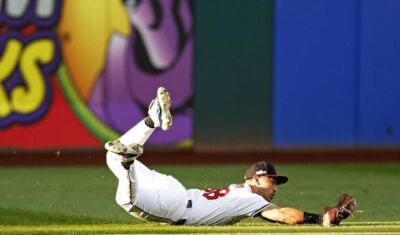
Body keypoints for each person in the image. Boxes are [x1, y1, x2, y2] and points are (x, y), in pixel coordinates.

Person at [105, 87, 356, 226]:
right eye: (272, 180)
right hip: (174, 204)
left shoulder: (239, 189)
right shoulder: (249, 198)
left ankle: (152, 121)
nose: (276, 186)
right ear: (256, 179)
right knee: (125, 196)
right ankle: (129, 161)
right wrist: (320, 219)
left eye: (277, 182)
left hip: (176, 192)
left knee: (111, 156)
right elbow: (284, 216)